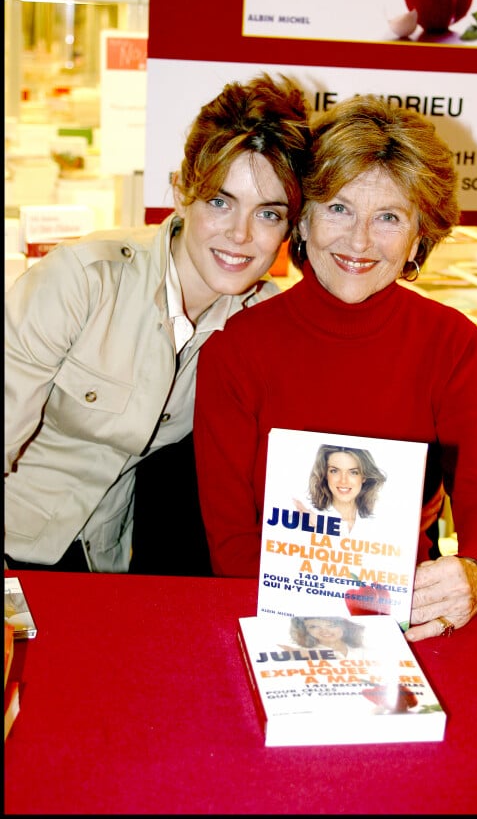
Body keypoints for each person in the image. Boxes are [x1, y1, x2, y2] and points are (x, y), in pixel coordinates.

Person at [193, 94, 477, 641]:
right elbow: (231, 543)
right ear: (303, 219)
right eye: (339, 208)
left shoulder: (450, 342)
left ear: (419, 234)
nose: (360, 242)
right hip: (269, 621)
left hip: (409, 619)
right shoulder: (236, 349)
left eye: (389, 217)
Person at [4, 73, 312, 573]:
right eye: (220, 201)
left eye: (268, 214)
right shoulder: (85, 281)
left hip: (105, 565)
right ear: (182, 191)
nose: (240, 235)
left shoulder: (260, 325)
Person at [293, 444, 387, 535]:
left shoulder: (376, 525)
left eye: (353, 472)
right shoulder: (305, 519)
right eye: (334, 471)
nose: (343, 481)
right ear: (325, 474)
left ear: (364, 477)